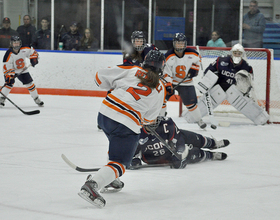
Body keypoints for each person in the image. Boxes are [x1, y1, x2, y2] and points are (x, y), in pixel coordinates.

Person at [78, 50, 167, 208]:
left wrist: (113, 86)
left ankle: (109, 178)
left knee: (115, 142)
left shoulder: (132, 70)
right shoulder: (160, 87)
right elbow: (149, 119)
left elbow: (99, 78)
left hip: (105, 114)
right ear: (161, 67)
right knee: (120, 163)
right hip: (127, 123)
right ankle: (93, 185)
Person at [192, 43, 269, 125]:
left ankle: (261, 118)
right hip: (218, 88)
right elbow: (208, 72)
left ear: (242, 54)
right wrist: (207, 84)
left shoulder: (247, 67)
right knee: (207, 100)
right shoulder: (221, 60)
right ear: (231, 53)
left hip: (235, 91)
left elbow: (249, 84)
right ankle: (192, 116)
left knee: (243, 102)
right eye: (235, 53)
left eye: (239, 53)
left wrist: (245, 91)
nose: (237, 55)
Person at [129, 116, 229, 170]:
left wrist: (180, 154)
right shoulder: (136, 130)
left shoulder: (166, 124)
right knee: (193, 153)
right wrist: (133, 160)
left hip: (172, 150)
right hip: (155, 158)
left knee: (187, 136)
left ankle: (212, 143)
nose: (152, 121)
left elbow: (178, 140)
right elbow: (133, 151)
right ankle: (211, 155)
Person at [164, 33, 206, 129]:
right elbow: (166, 72)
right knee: (161, 100)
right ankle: (159, 118)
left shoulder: (193, 53)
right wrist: (168, 84)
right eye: (178, 43)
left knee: (191, 104)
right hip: (172, 82)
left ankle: (199, 120)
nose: (180, 45)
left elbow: (198, 59)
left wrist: (195, 69)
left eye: (182, 43)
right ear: (174, 44)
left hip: (187, 82)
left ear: (185, 44)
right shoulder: (168, 56)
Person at [0, 36, 44, 107]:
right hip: (11, 71)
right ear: (11, 44)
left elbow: (33, 52)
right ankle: (2, 99)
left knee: (30, 84)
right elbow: (6, 67)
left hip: (22, 70)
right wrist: (9, 76)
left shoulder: (25, 48)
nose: (16, 44)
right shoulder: (8, 54)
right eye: (14, 43)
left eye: (18, 43)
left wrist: (34, 58)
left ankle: (36, 99)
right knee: (9, 84)